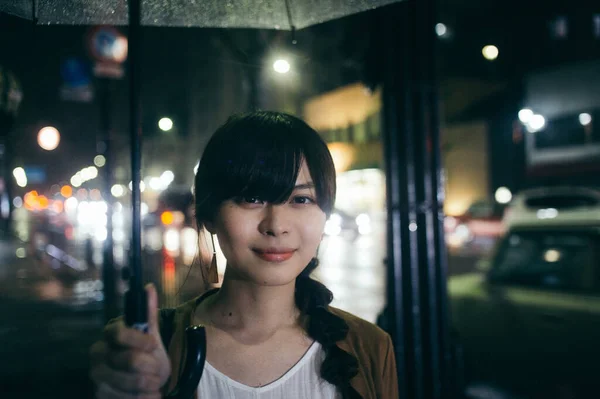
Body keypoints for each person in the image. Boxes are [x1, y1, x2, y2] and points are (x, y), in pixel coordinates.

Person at [90, 111, 399, 399]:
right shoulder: (150, 348)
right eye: (251, 198)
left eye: (301, 199)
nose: (276, 225)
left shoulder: (368, 347)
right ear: (208, 214)